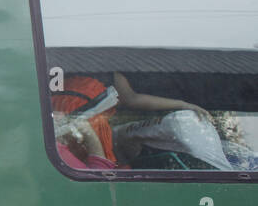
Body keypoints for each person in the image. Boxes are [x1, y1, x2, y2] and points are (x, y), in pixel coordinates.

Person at [51, 72, 229, 171]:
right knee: (114, 172)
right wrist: (183, 104)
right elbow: (130, 99)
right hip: (87, 120)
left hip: (59, 121)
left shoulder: (67, 57)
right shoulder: (109, 62)